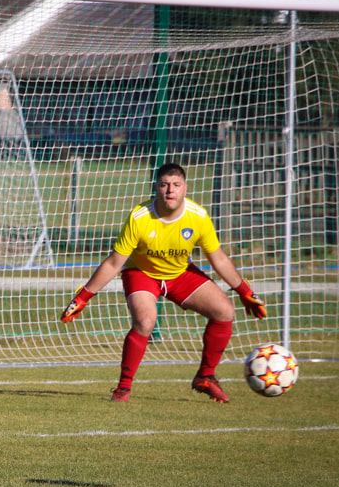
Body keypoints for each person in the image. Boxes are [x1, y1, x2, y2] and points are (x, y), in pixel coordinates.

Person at [60, 162, 266, 404]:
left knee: (224, 311)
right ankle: (123, 389)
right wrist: (84, 296)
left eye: (176, 185)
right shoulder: (140, 217)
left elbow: (218, 258)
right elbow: (115, 263)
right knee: (146, 321)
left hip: (179, 273)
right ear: (156, 187)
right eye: (165, 184)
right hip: (142, 273)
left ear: (185, 188)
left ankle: (206, 377)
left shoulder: (198, 217)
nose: (170, 190)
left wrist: (243, 291)